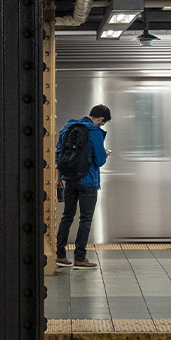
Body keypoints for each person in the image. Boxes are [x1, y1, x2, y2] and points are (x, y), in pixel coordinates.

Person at [55, 104, 110, 269]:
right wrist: (105, 154)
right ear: (100, 118)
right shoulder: (95, 132)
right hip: (88, 181)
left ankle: (60, 255)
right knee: (85, 219)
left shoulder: (67, 128)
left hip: (69, 179)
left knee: (67, 216)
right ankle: (80, 258)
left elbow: (59, 154)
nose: (101, 125)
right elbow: (99, 160)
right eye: (102, 122)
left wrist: (60, 178)